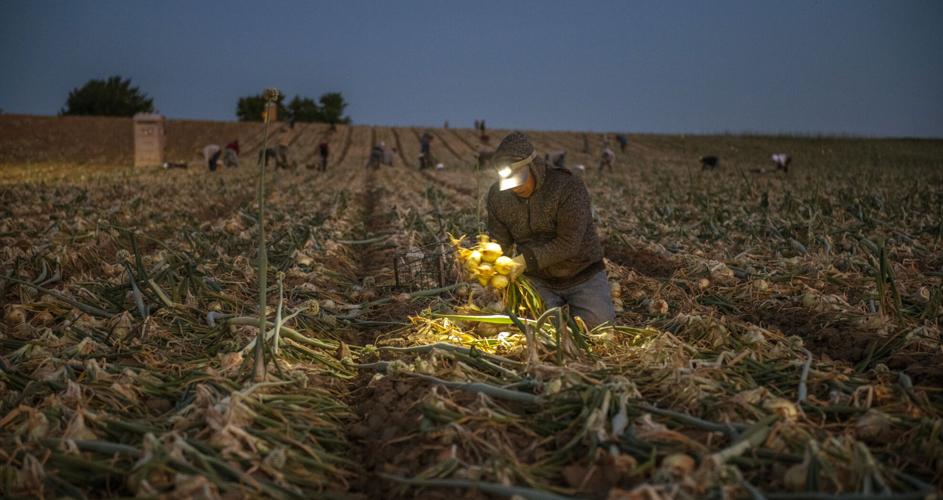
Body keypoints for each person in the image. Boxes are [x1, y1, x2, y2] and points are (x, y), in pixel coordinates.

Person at [486, 131, 614, 329]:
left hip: (582, 274)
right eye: (508, 183)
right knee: (538, 330)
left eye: (519, 179)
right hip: (538, 280)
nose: (514, 188)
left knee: (598, 331)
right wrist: (489, 264)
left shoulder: (567, 187)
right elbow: (499, 242)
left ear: (534, 167)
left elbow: (569, 243)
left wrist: (524, 261)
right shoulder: (498, 197)